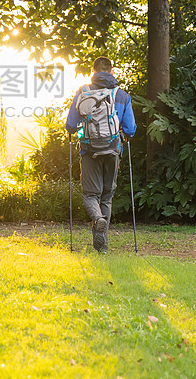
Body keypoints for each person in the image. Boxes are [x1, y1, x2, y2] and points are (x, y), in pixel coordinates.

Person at [65, 56, 136, 253]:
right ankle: (103, 246)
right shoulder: (121, 95)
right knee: (106, 197)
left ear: (93, 72)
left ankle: (97, 219)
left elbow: (71, 126)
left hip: (89, 150)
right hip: (113, 150)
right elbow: (130, 129)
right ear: (112, 72)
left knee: (90, 194)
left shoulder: (83, 92)